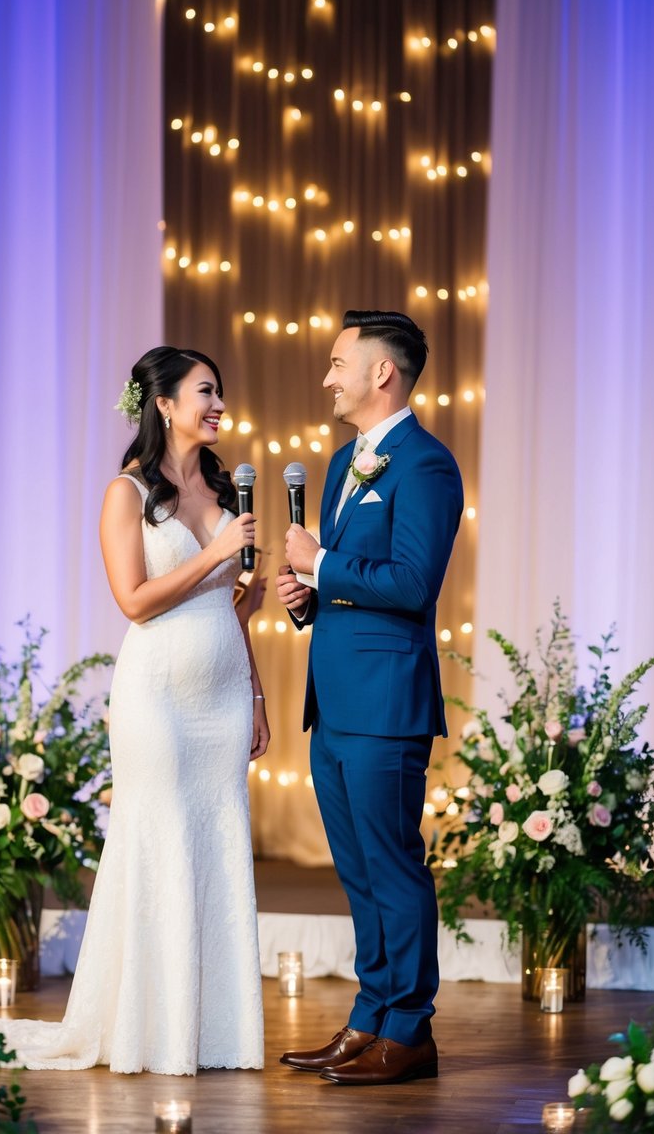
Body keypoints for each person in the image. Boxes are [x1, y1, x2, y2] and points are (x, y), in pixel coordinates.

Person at [0, 345, 269, 1075]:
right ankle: (142, 1029)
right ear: (164, 404)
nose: (218, 403)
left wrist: (255, 691)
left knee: (219, 848)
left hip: (222, 691)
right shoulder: (126, 493)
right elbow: (133, 600)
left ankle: (216, 1032)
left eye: (219, 391)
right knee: (156, 843)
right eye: (204, 391)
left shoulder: (227, 490)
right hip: (155, 694)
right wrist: (215, 550)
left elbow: (236, 608)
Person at [275, 310, 463, 1086]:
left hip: (385, 703)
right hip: (334, 699)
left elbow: (415, 584)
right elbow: (353, 583)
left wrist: (320, 564)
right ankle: (369, 1018)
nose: (326, 377)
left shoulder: (423, 464)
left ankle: (409, 1031)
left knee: (392, 867)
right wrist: (307, 593)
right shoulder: (342, 460)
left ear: (381, 372)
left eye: (336, 362)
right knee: (356, 871)